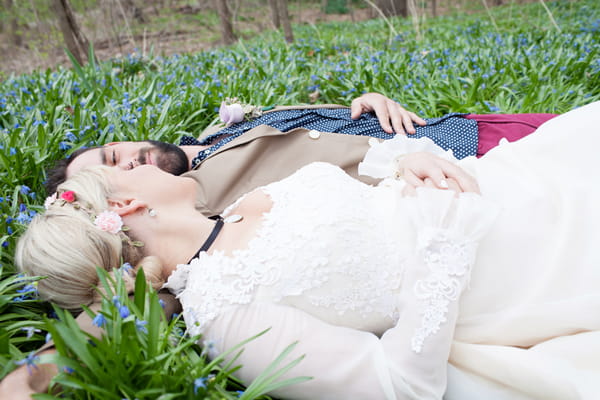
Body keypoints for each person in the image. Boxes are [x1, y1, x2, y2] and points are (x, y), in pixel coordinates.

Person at [12, 101, 600, 399]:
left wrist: (410, 161)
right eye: (125, 170)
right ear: (130, 207)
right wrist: (444, 245)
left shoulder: (241, 206)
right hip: (520, 275)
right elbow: (399, 384)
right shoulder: (223, 312)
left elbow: (366, 182)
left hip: (506, 188)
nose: (140, 160)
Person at [45, 93, 558, 216]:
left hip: (463, 129)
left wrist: (365, 102)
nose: (127, 164)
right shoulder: (199, 201)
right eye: (112, 179)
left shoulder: (212, 135)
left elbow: (311, 132)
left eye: (113, 153)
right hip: (465, 170)